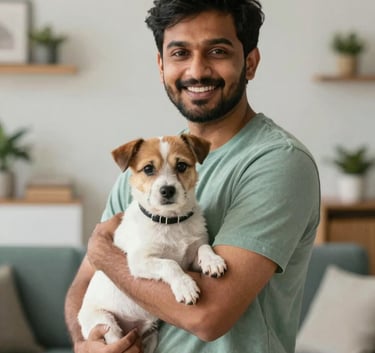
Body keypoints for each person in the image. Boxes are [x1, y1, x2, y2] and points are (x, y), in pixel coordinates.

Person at [64, 1, 321, 352]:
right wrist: (84, 344)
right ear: (161, 66)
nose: (197, 70)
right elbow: (84, 285)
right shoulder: (146, 167)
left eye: (217, 51)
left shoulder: (276, 162)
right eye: (180, 53)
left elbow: (208, 317)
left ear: (250, 62)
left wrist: (104, 253)